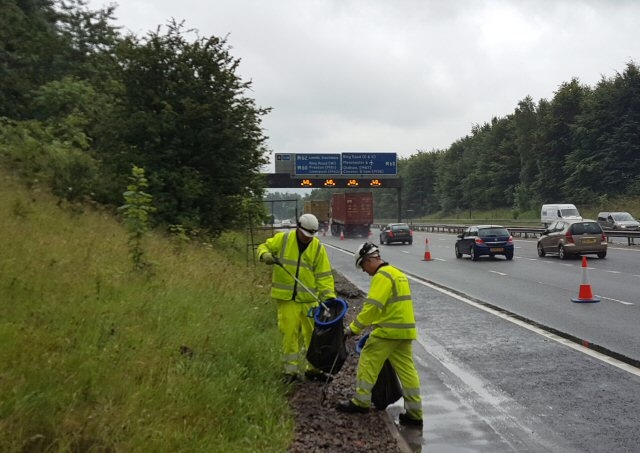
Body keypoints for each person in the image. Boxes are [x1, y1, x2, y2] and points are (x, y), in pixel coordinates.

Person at [337, 241, 423, 427]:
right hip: (405, 332)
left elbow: (372, 308)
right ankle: (415, 415)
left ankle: (360, 402)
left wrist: (352, 329)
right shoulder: (397, 274)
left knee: (367, 360)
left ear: (368, 260)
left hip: (387, 332)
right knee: (408, 373)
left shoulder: (382, 276)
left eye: (362, 266)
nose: (364, 271)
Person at [257, 213, 336, 383]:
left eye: (310, 236)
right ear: (298, 228)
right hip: (287, 299)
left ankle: (313, 368)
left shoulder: (317, 247)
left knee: (312, 335)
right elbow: (263, 247)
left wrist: (329, 296)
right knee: (289, 333)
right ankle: (290, 371)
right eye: (305, 235)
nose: (307, 239)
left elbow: (324, 275)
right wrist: (265, 256)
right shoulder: (283, 239)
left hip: (309, 299)